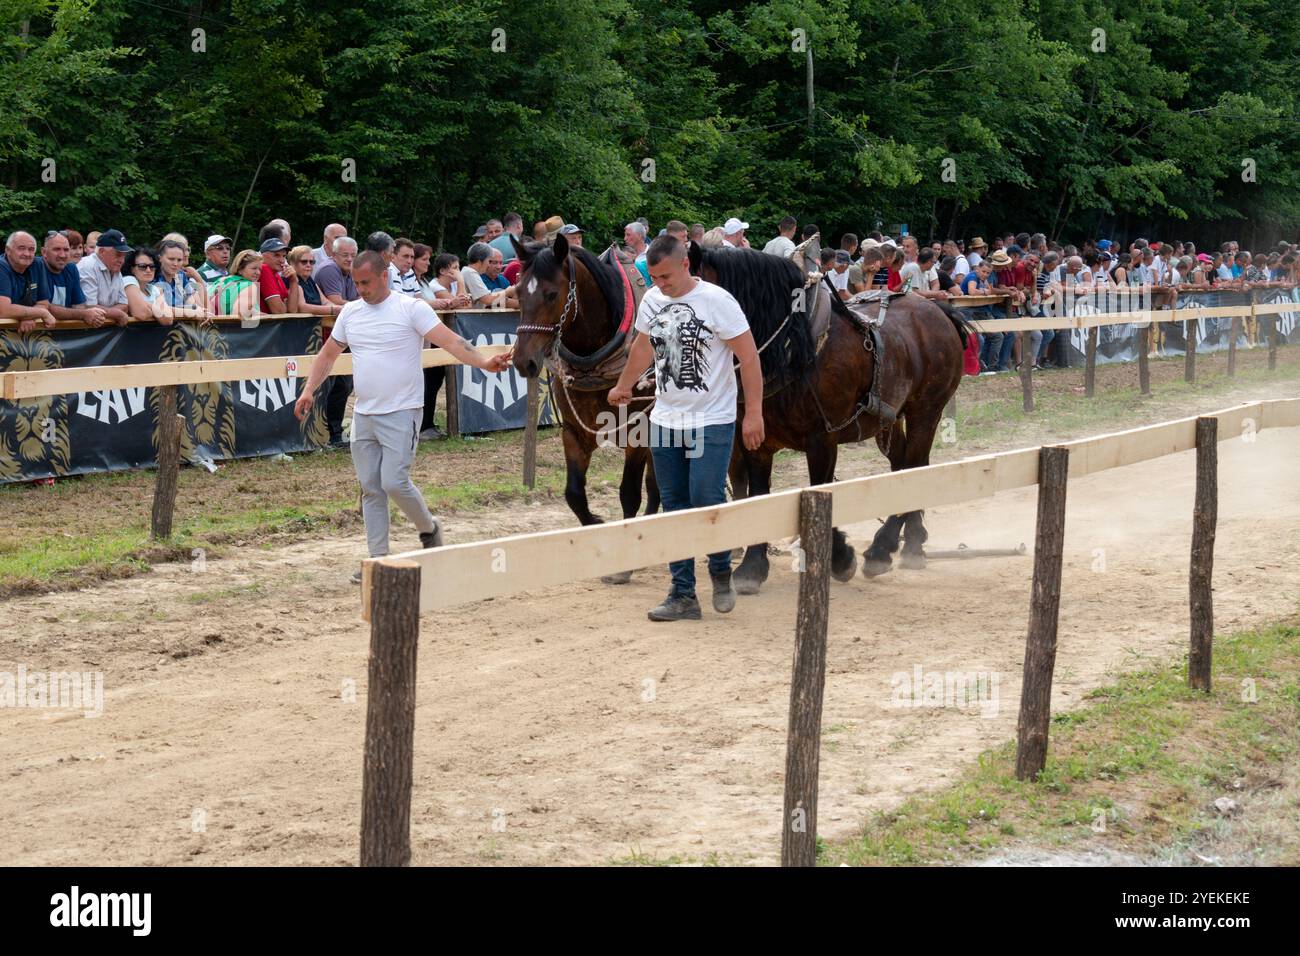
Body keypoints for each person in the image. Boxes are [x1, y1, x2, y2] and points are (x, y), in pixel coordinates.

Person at [293, 251, 513, 583]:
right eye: (356, 283)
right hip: (364, 412)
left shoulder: (411, 308)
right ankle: (378, 558)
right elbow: (328, 353)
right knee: (370, 487)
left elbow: (451, 342)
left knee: (393, 482)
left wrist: (484, 362)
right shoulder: (350, 313)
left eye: (365, 282)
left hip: (402, 410)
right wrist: (309, 389)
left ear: (384, 276)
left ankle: (429, 527)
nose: (360, 289)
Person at [607, 235, 765, 623]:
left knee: (705, 497)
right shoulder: (653, 301)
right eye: (654, 277)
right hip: (665, 420)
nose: (660, 284)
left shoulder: (717, 301)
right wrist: (624, 384)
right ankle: (682, 593)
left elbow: (748, 356)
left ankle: (720, 569)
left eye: (665, 276)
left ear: (684, 265)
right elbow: (643, 346)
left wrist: (754, 413)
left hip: (712, 419)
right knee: (672, 506)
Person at [34, 231, 104, 325]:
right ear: (44, 252)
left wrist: (88, 314)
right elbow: (46, 307)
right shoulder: (36, 267)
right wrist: (84, 314)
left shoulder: (71, 269)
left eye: (66, 250)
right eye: (56, 249)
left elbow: (79, 305)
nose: (62, 255)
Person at [0, 231, 56, 332]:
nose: (27, 254)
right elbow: (3, 310)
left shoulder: (38, 265)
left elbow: (43, 303)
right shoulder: (1, 267)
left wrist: (29, 316)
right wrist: (41, 313)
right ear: (8, 250)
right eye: (21, 248)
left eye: (31, 249)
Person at [77, 229, 132, 327]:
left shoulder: (115, 268)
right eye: (118, 254)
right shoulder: (87, 266)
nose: (122, 260)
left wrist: (110, 313)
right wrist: (116, 314)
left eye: (124, 255)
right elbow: (89, 307)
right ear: (102, 251)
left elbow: (124, 305)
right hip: (81, 333)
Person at [286, 245, 340, 319]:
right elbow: (302, 307)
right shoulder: (292, 281)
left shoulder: (310, 281)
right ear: (292, 263)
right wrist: (333, 310)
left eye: (311, 262)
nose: (308, 265)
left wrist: (342, 308)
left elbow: (325, 302)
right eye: (304, 262)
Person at [121, 246, 171, 323]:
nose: (148, 270)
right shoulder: (128, 280)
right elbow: (142, 313)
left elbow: (168, 319)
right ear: (132, 269)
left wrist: (147, 305)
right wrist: (157, 310)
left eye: (152, 266)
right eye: (142, 266)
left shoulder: (155, 289)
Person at [211, 250, 262, 318]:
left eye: (260, 269)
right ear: (240, 269)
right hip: (232, 327)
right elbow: (241, 312)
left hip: (208, 326)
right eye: (254, 268)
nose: (258, 272)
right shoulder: (249, 286)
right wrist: (261, 314)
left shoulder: (220, 281)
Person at [459, 242, 510, 307]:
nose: (488, 265)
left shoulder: (469, 272)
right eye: (489, 261)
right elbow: (488, 300)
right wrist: (508, 291)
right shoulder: (470, 273)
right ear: (480, 260)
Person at [258, 237, 291, 313]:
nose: (282, 260)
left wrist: (294, 281)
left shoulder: (276, 274)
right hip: (261, 324)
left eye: (284, 256)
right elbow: (279, 311)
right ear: (263, 256)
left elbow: (292, 309)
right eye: (276, 255)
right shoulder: (263, 268)